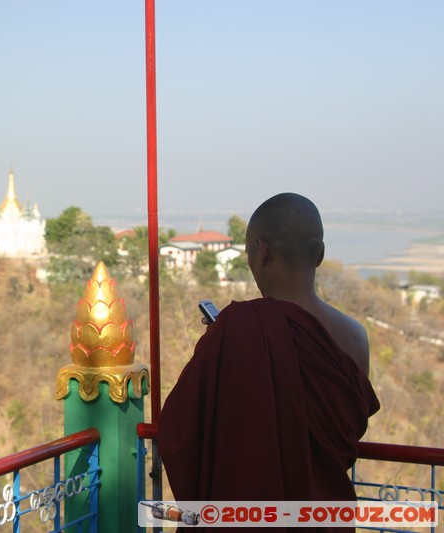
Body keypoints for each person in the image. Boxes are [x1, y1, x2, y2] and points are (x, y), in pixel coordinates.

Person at [157, 193, 380, 508]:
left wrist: (223, 350)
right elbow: (340, 439)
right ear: (320, 255)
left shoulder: (235, 330)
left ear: (261, 251)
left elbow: (179, 434)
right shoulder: (356, 336)